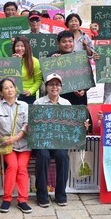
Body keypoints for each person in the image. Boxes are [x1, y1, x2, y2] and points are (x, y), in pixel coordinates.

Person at [33, 73, 71, 208]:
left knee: (62, 156)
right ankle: (42, 195)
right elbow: (34, 124)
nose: (54, 87)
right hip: (42, 141)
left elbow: (70, 125)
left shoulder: (66, 103)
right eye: (51, 84)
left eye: (57, 84)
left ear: (61, 87)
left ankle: (61, 194)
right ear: (46, 87)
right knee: (43, 155)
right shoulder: (38, 103)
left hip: (59, 141)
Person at [0, 78, 31, 214]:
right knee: (13, 166)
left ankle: (22, 200)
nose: (9, 90)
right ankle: (7, 199)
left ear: (15, 88)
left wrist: (16, 137)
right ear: (1, 92)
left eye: (11, 87)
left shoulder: (24, 105)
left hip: (24, 144)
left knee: (22, 168)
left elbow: (27, 124)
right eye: (6, 88)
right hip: (6, 146)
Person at [48, 31, 88, 107]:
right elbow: (46, 78)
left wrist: (84, 90)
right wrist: (52, 62)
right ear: (58, 43)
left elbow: (88, 78)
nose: (67, 44)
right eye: (64, 42)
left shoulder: (80, 57)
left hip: (78, 100)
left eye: (70, 41)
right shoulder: (51, 57)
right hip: (59, 100)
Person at [11, 36, 43, 104]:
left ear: (27, 47)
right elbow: (9, 78)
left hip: (29, 96)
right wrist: (15, 62)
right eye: (17, 46)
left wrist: (31, 91)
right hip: (13, 95)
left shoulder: (35, 61)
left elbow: (38, 80)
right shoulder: (10, 61)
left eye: (22, 46)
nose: (20, 48)